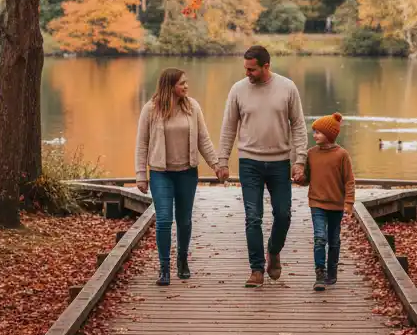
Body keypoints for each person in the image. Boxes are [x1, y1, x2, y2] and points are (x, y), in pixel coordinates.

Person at [218, 45, 308, 288]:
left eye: (252, 69)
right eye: (245, 68)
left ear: (266, 66)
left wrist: (300, 160)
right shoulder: (238, 90)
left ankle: (274, 250)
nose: (247, 73)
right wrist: (222, 160)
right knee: (252, 217)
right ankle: (256, 268)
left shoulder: (287, 87)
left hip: (280, 162)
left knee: (283, 213)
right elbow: (228, 127)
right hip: (249, 162)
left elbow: (298, 126)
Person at [135, 69, 228, 286]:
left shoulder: (192, 107)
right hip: (161, 173)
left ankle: (182, 260)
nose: (186, 87)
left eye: (186, 83)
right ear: (169, 86)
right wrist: (141, 174)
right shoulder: (151, 109)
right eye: (181, 84)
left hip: (187, 172)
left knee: (184, 221)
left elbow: (203, 139)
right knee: (164, 220)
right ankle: (164, 268)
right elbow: (141, 144)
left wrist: (216, 165)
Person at [304, 112, 355, 291]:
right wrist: (297, 177)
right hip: (317, 203)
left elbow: (349, 180)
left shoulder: (342, 155)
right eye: (314, 131)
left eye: (318, 132)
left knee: (333, 240)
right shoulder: (311, 154)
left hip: (336, 204)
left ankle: (332, 271)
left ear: (330, 134)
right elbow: (306, 177)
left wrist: (349, 202)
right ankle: (320, 273)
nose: (314, 135)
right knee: (320, 238)